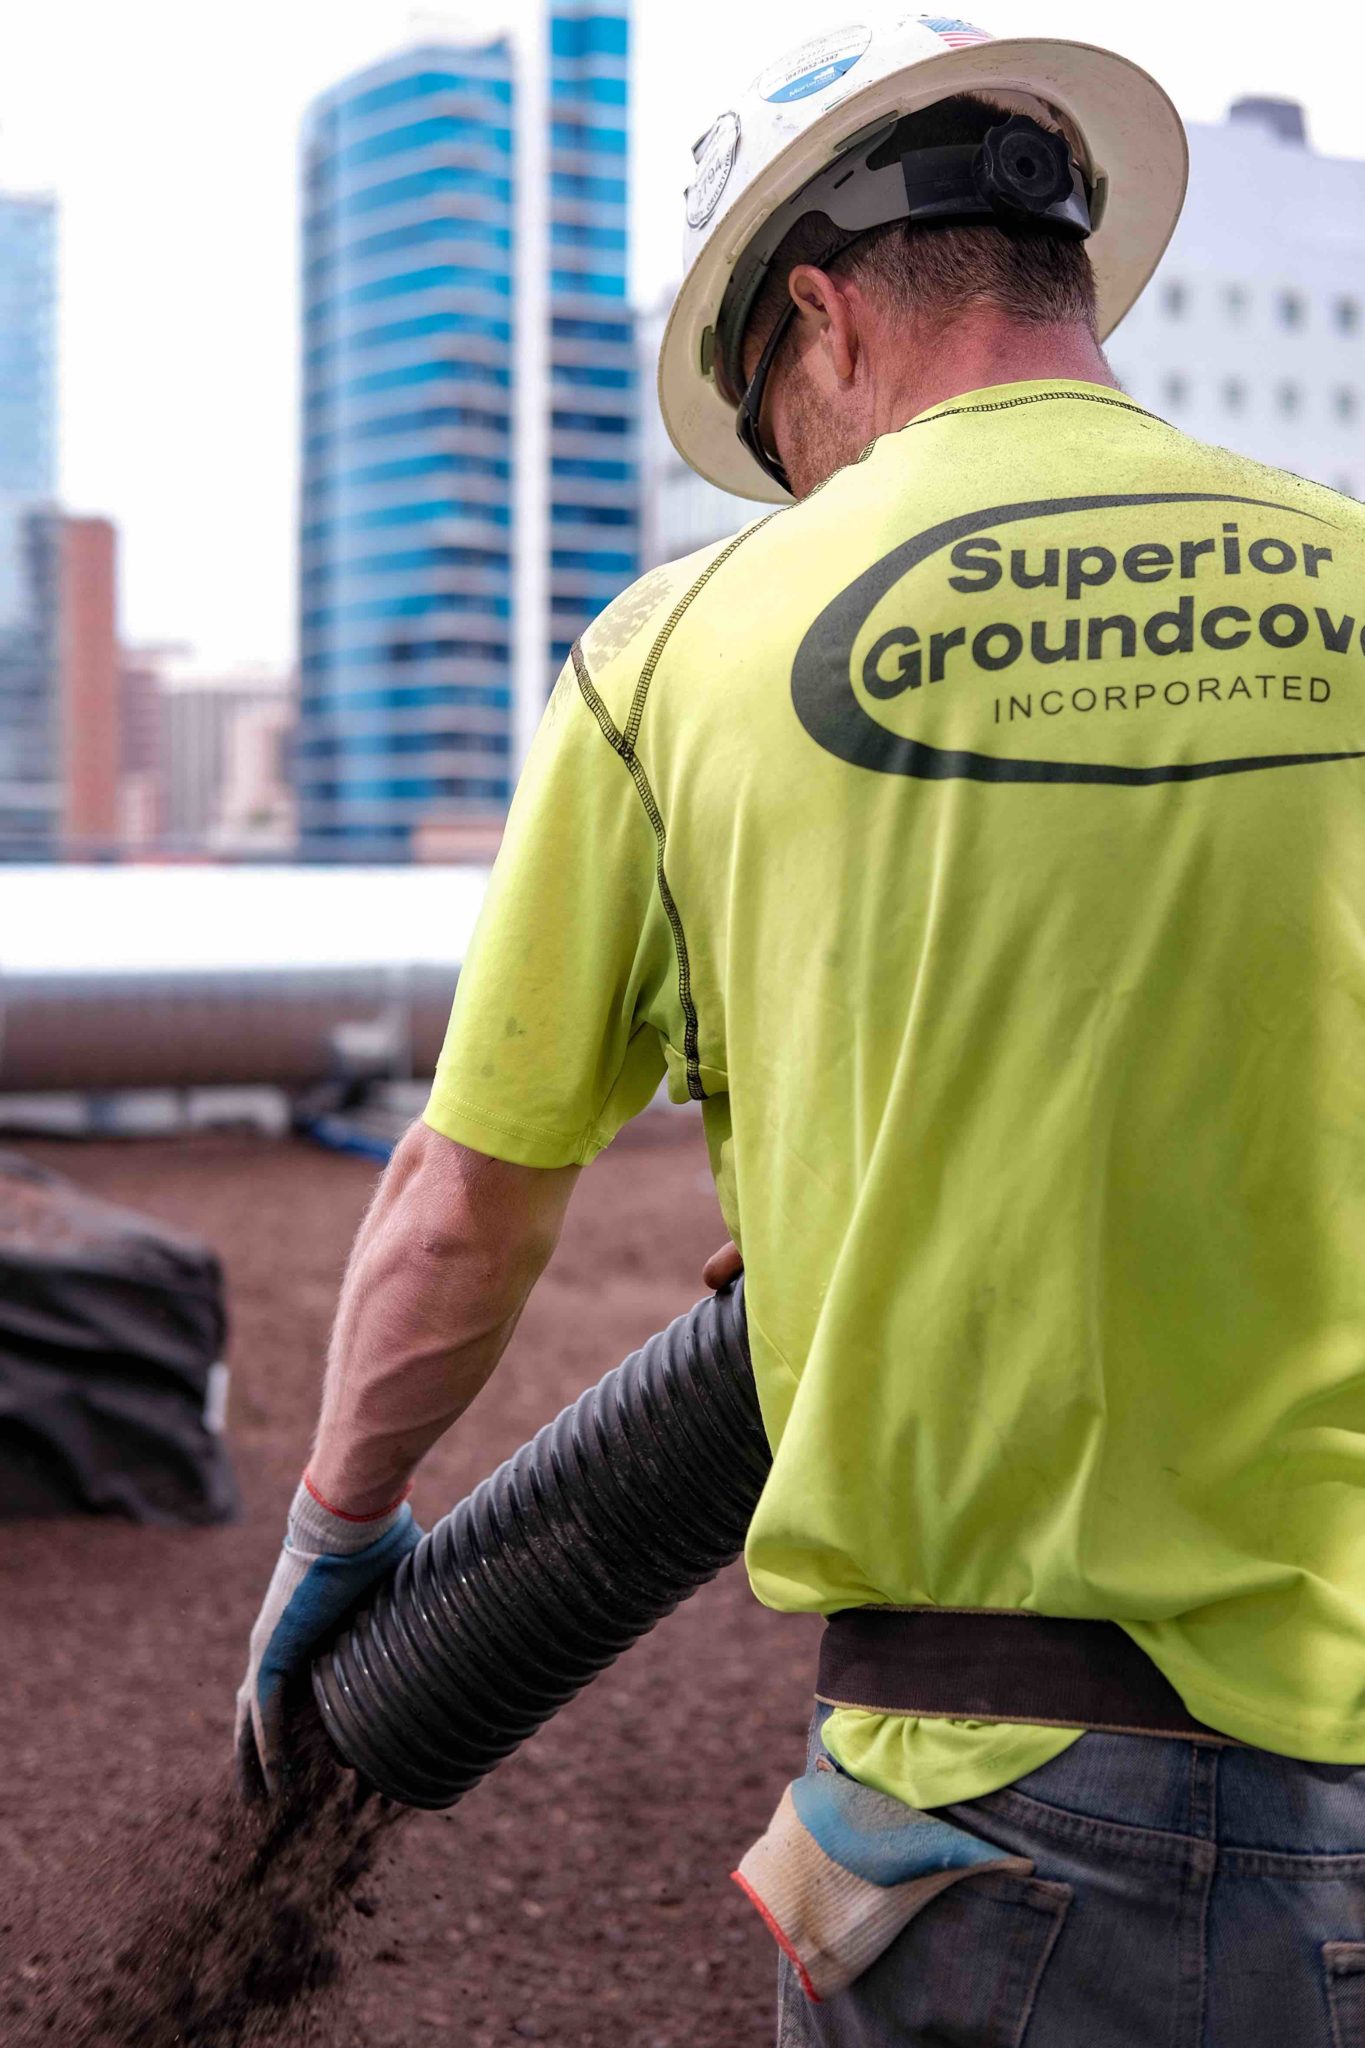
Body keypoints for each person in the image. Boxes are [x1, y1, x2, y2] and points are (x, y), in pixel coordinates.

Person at [239, 11, 1365, 2042]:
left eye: (773, 422)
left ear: (826, 324)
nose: (790, 470)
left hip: (1009, 1814)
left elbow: (460, 1211)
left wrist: (336, 1528)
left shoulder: (672, 653)